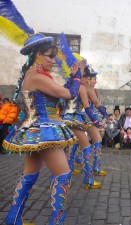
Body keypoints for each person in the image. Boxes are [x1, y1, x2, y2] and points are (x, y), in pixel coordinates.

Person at [3, 33, 81, 225]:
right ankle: (55, 222)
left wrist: (72, 76)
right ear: (38, 55)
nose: (53, 61)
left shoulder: (31, 75)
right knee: (63, 174)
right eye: (50, 56)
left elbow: (59, 92)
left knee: (29, 174)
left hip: (35, 131)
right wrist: (78, 75)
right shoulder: (37, 77)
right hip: (44, 131)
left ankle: (13, 218)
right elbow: (69, 94)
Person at [60, 57, 102, 189]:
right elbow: (88, 107)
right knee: (86, 147)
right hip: (75, 120)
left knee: (72, 146)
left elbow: (61, 102)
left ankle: (70, 170)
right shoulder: (81, 87)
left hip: (66, 118)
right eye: (83, 71)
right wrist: (96, 120)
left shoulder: (69, 85)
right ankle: (88, 179)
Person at [82, 66, 109, 176]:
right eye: (94, 79)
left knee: (78, 143)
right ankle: (94, 169)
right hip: (88, 117)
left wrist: (104, 114)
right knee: (97, 141)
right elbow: (95, 104)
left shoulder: (80, 86)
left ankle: (74, 165)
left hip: (80, 118)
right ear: (88, 78)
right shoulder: (87, 88)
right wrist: (104, 115)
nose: (96, 81)